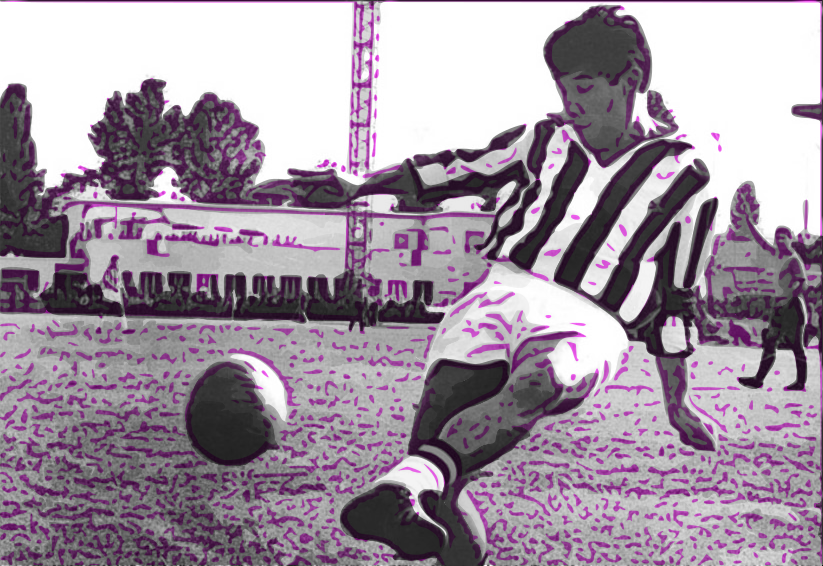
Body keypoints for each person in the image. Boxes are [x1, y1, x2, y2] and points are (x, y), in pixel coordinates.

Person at [290, 6, 720, 565]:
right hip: (500, 293)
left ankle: (410, 481)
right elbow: (452, 170)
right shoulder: (542, 138)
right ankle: (414, 484)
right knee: (436, 468)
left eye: (584, 87)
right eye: (562, 88)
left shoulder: (689, 174)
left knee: (545, 377)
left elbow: (678, 300)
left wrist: (678, 403)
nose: (570, 103)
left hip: (591, 317)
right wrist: (357, 186)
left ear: (631, 79)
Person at [738, 227, 808, 391]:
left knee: (797, 346)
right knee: (770, 342)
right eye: (777, 238)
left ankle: (800, 383)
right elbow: (761, 241)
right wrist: (748, 222)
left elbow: (802, 283)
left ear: (791, 239)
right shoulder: (776, 254)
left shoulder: (793, 259)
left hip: (793, 307)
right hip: (779, 306)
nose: (780, 241)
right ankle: (758, 379)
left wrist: (788, 299)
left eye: (783, 238)